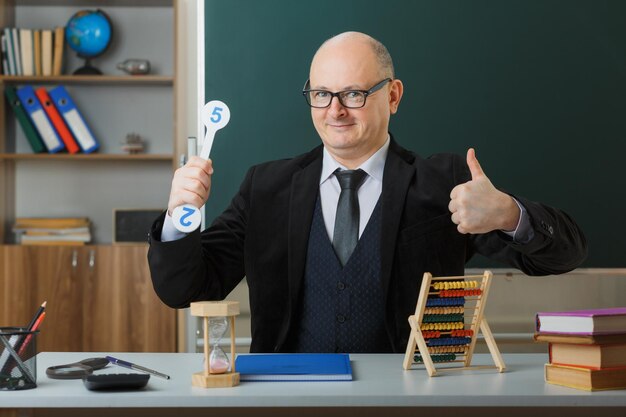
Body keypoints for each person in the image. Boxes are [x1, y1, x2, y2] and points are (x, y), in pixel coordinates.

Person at [148, 31, 587, 353]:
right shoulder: (265, 188)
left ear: (393, 96)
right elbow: (185, 290)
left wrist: (509, 214)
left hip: (415, 396)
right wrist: (177, 218)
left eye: (354, 93)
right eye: (321, 94)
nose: (334, 110)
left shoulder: (446, 183)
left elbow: (564, 255)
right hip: (289, 396)